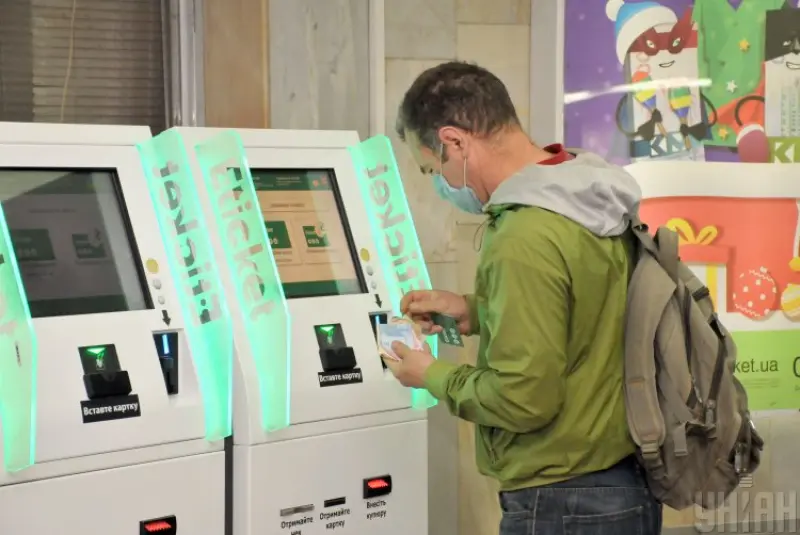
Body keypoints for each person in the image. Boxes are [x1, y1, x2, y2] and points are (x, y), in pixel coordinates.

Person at [383, 61, 663, 535]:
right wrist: (473, 310)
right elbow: (585, 309)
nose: (439, 184)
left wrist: (429, 374)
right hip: (619, 477)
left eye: (432, 168)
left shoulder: (524, 233)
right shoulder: (583, 193)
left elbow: (523, 399)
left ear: (455, 142)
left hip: (564, 498)